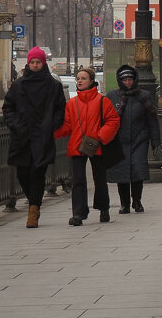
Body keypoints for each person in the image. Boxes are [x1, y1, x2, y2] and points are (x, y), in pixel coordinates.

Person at [2, 46, 66, 228]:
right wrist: (16, 125)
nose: (35, 65)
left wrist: (51, 125)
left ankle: (33, 210)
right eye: (32, 62)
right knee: (23, 174)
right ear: (28, 63)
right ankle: (34, 203)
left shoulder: (53, 86)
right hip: (22, 137)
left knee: (37, 174)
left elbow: (60, 110)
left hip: (42, 137)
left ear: (43, 63)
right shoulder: (19, 85)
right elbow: (8, 108)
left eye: (38, 62)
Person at [54, 67, 120, 226]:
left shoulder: (102, 101)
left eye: (83, 78)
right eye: (78, 78)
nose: (79, 81)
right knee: (77, 180)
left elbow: (113, 121)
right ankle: (78, 213)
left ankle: (104, 208)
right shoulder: (72, 103)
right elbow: (67, 126)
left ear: (91, 81)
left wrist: (100, 136)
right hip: (78, 145)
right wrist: (51, 132)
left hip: (96, 144)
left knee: (100, 179)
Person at [106, 64, 160, 214]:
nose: (128, 82)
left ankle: (137, 201)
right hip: (119, 140)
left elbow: (152, 120)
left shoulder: (144, 96)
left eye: (130, 79)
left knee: (137, 169)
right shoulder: (112, 96)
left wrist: (155, 140)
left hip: (139, 139)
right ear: (119, 80)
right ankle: (124, 204)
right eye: (125, 80)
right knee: (122, 172)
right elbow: (107, 120)